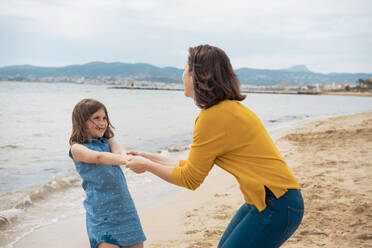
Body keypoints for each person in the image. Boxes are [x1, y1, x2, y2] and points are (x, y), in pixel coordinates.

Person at [126, 45, 304, 247]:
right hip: (268, 201)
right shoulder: (225, 110)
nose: (182, 76)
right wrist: (149, 157)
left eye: (185, 69)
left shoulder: (212, 117)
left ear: (198, 75)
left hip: (276, 203)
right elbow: (192, 165)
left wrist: (147, 167)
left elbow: (190, 179)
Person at [69, 99, 146, 248]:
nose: (103, 123)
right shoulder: (77, 148)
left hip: (124, 207)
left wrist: (128, 156)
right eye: (96, 118)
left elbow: (118, 150)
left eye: (104, 118)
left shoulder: (108, 141)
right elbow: (100, 157)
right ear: (82, 120)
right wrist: (124, 160)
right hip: (101, 213)